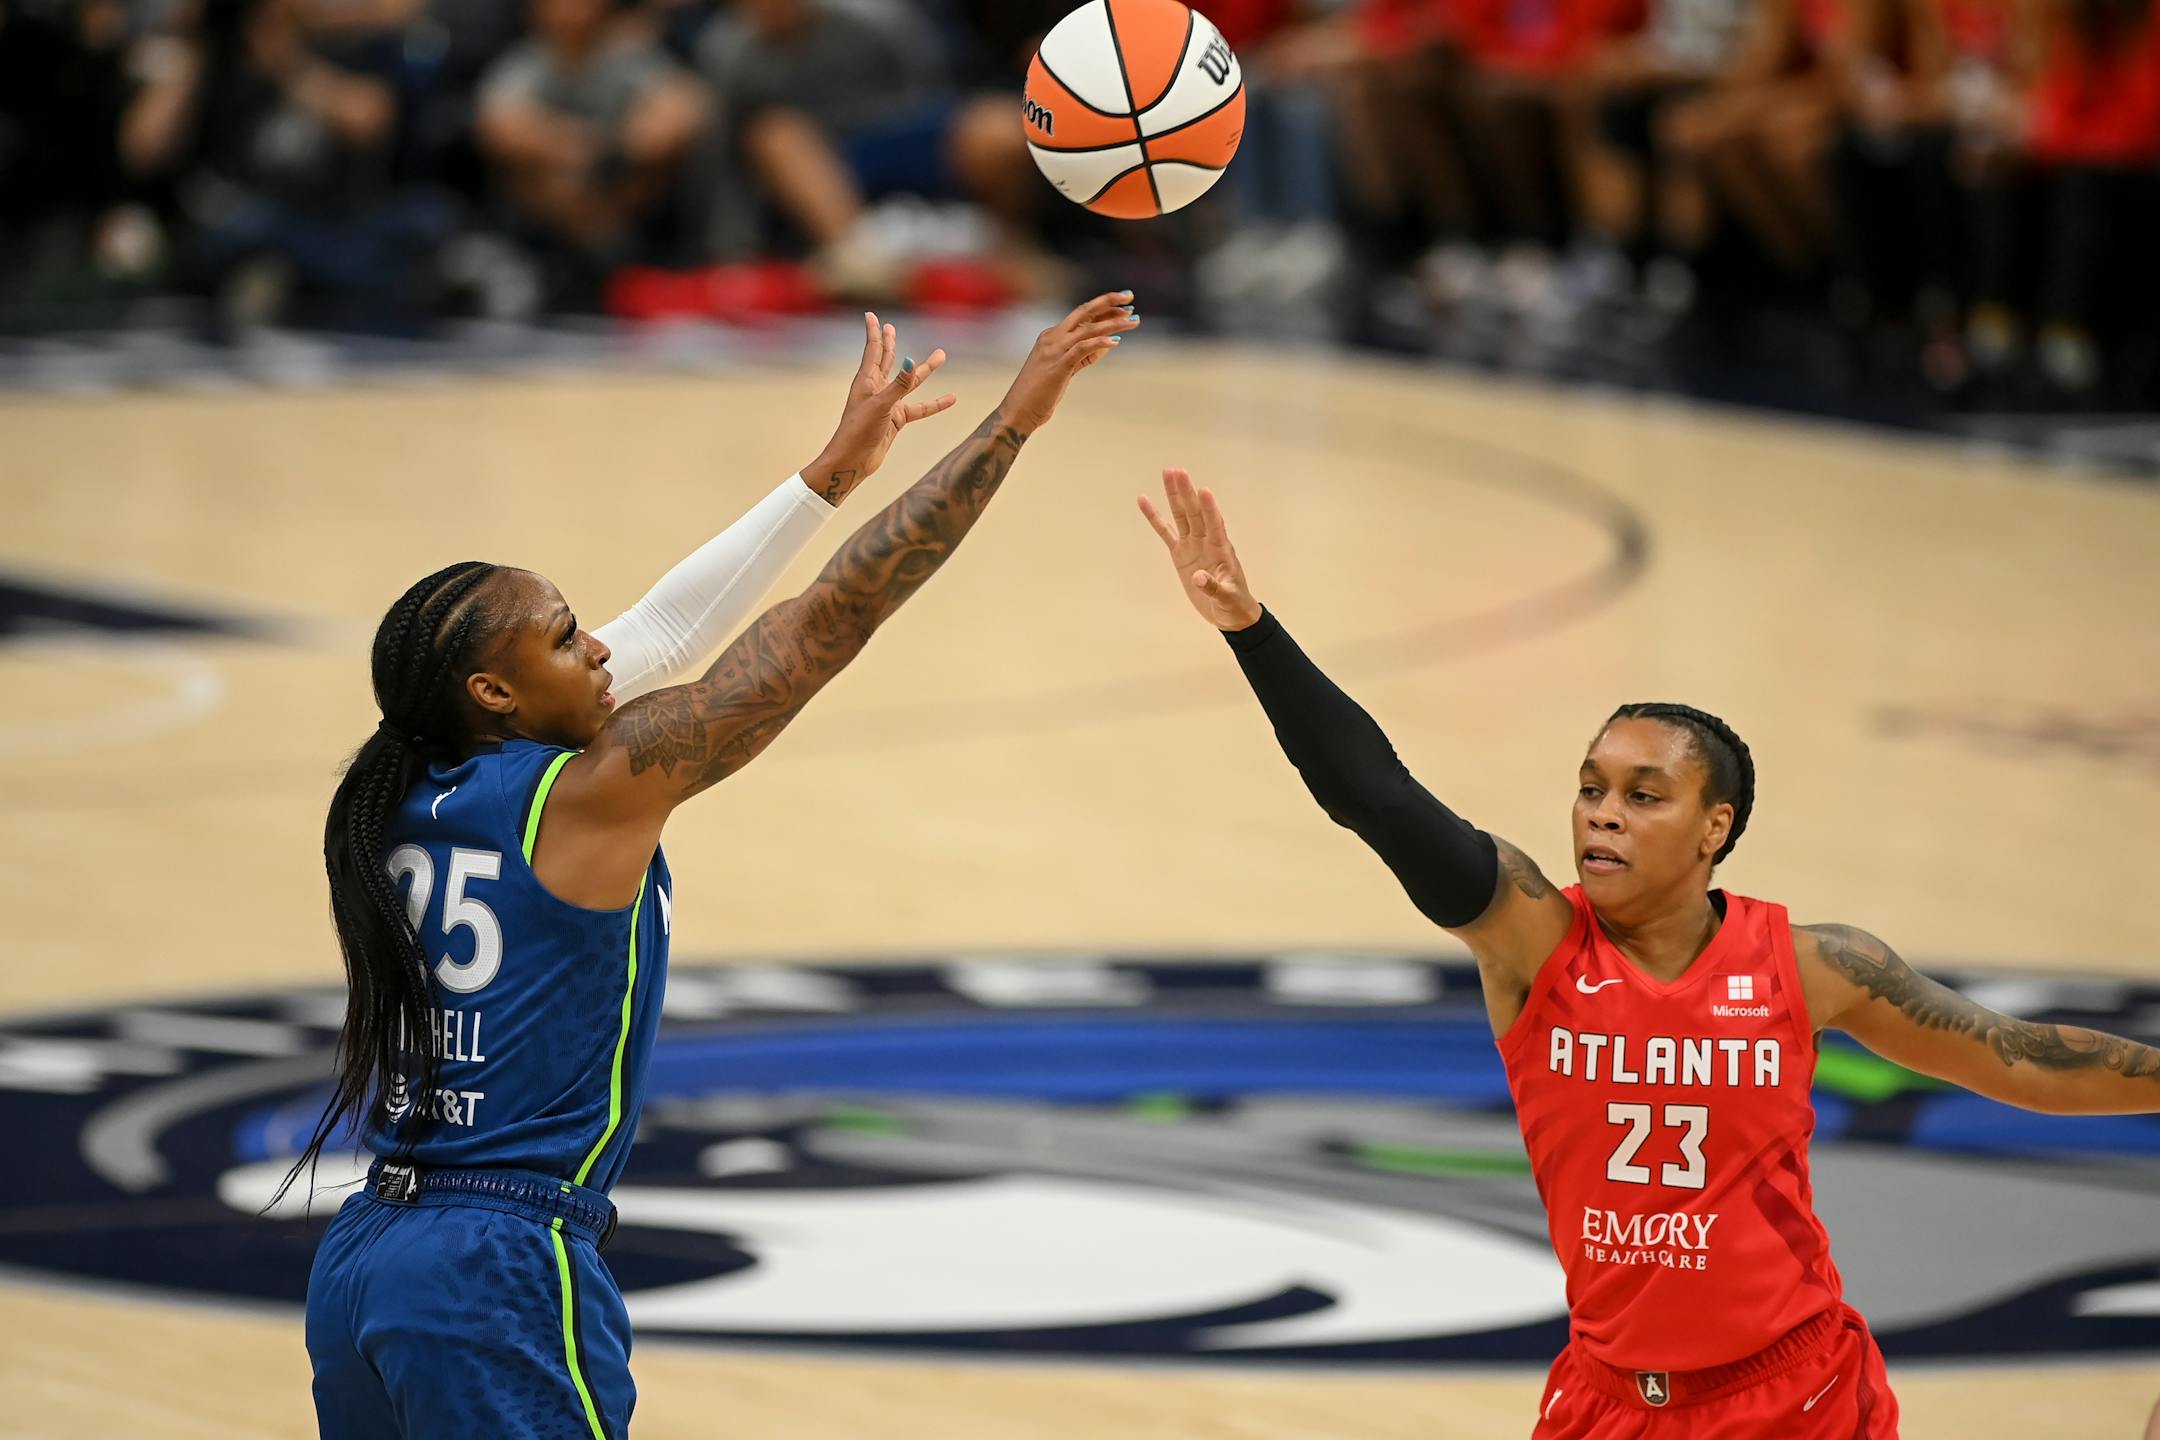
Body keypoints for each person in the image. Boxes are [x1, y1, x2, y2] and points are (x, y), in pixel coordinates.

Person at [1134, 467, 2160, 1438]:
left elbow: (2021, 1059)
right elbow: (1377, 797)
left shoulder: (1813, 966)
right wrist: (1252, 632)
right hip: (1609, 1400)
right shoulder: (1533, 939)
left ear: (1714, 827)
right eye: (1591, 787)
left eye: (1642, 794)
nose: (1601, 817)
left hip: (1793, 1396)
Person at [297, 292, 1140, 1437]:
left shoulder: (392, 795)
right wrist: (1010, 424)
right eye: (563, 639)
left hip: (364, 1258)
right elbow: (829, 620)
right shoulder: (585, 795)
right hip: (492, 1269)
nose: (600, 648)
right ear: (494, 695)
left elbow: (663, 633)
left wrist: (824, 478)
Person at [475, 0, 709, 305]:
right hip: (550, 214)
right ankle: (606, 265)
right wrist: (580, 147)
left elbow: (685, 108)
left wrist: (620, 151)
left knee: (657, 156)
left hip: (623, 197)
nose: (571, 10)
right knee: (552, 176)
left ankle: (624, 267)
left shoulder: (625, 57)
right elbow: (498, 126)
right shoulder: (527, 62)